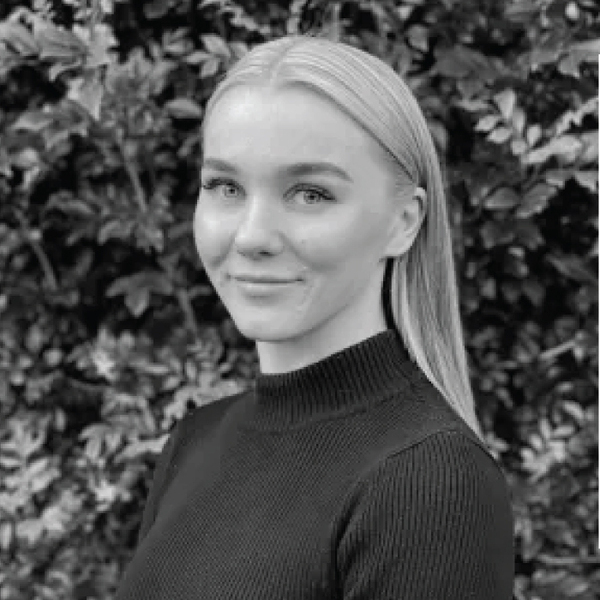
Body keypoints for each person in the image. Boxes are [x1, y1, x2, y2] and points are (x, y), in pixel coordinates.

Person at [115, 34, 515, 600]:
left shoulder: (428, 480)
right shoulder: (196, 440)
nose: (252, 236)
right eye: (226, 187)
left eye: (310, 194)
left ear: (403, 222)